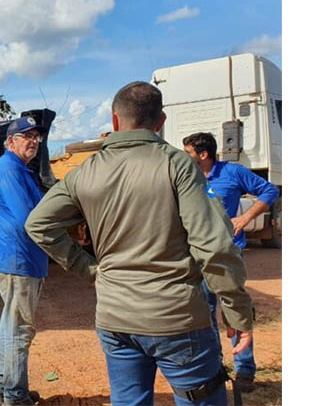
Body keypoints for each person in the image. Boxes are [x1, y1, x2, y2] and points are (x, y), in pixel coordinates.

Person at [25, 81, 254, 405]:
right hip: (177, 318)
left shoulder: (84, 172)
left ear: (114, 121)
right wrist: (237, 310)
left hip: (115, 319)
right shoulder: (178, 165)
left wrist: (90, 268)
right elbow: (214, 246)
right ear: (160, 122)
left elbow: (38, 224)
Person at [183, 132, 280, 392]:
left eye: (188, 152)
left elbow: (269, 190)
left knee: (234, 311)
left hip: (228, 256)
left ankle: (245, 370)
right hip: (196, 258)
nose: (184, 157)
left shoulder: (232, 172)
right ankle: (215, 367)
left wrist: (245, 218)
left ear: (203, 155)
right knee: (204, 315)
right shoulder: (185, 178)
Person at [0, 116, 50, 406]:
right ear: (11, 141)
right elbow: (31, 219)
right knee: (20, 331)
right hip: (19, 261)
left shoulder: (16, 169)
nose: (34, 141)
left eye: (37, 137)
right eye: (27, 136)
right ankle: (14, 395)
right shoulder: (11, 170)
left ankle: (6, 389)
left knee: (10, 328)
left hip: (18, 259)